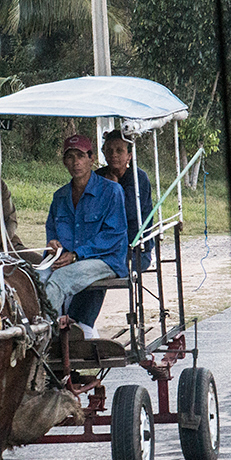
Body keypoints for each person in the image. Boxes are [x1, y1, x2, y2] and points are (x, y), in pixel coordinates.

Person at [68, 129, 154, 333]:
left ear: (129, 155)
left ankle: (83, 325)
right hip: (100, 245)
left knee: (96, 270)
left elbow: (129, 215)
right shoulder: (97, 176)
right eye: (109, 150)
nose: (114, 155)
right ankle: (69, 321)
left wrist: (115, 190)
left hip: (133, 250)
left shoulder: (138, 179)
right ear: (103, 154)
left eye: (119, 150)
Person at [43, 134, 128, 319]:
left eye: (81, 156)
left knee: (59, 280)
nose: (76, 162)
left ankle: (43, 336)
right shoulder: (60, 196)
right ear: (64, 162)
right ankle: (52, 328)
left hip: (106, 259)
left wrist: (76, 255)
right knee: (35, 279)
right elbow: (51, 229)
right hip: (67, 260)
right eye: (70, 157)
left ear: (92, 159)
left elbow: (113, 235)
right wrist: (53, 244)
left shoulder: (112, 191)